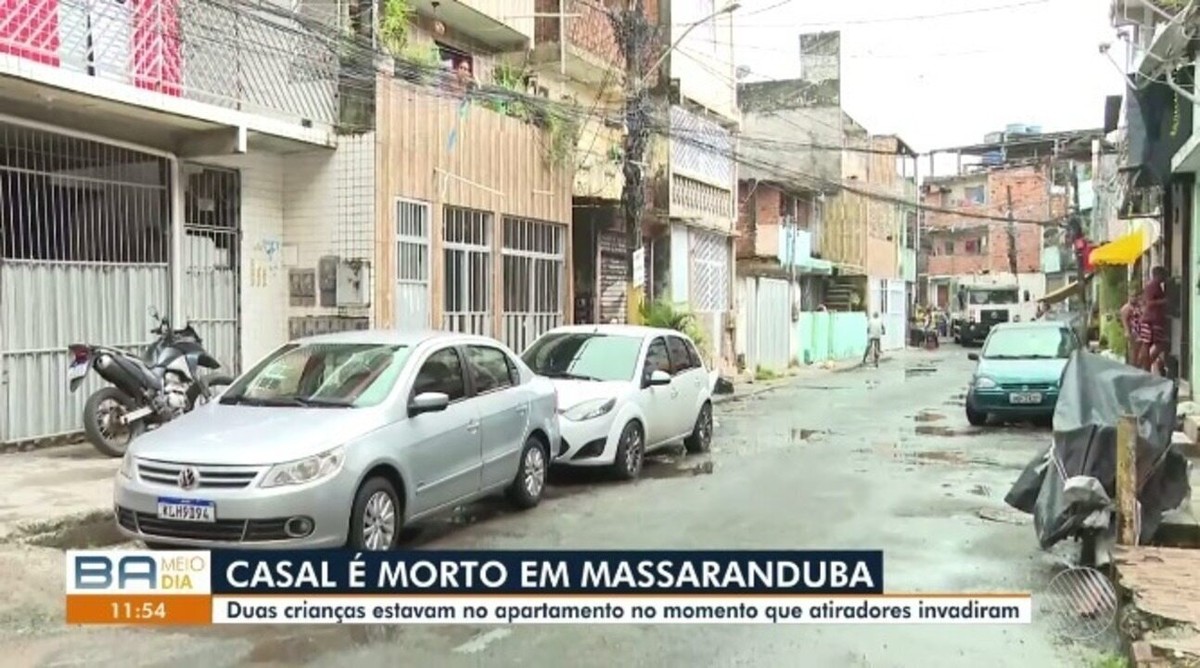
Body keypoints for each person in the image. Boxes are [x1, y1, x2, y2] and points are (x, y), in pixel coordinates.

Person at [1138, 266, 1169, 373]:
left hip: (1151, 320)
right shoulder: (1153, 286)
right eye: (1164, 275)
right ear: (1158, 275)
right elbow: (1149, 302)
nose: (1166, 277)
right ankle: (1146, 367)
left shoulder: (1153, 286)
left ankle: (1144, 368)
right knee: (1155, 345)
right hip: (1151, 321)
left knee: (1147, 345)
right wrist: (1164, 301)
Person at [1120, 288, 1142, 366]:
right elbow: (1124, 321)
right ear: (1129, 297)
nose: (1134, 298)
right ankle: (1132, 367)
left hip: (1140, 332)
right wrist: (1127, 331)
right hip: (1133, 333)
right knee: (1133, 353)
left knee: (1140, 354)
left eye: (1135, 296)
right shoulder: (1126, 308)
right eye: (1132, 296)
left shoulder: (1138, 306)